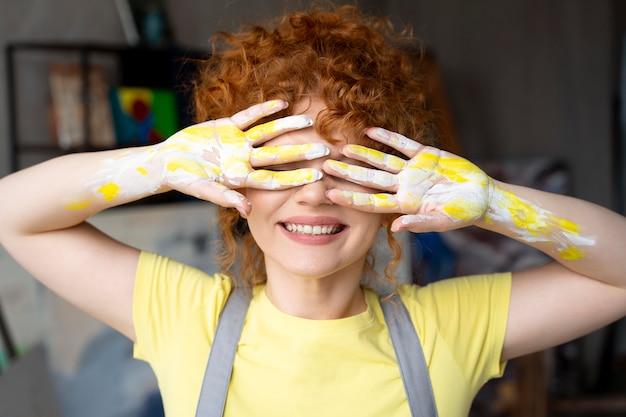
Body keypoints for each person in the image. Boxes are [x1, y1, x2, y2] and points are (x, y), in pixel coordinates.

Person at [1, 5, 625, 417]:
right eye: (282, 166)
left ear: (394, 196)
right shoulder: (184, 318)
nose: (314, 193)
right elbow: (12, 213)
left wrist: (494, 202)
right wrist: (158, 165)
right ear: (234, 188)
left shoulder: (448, 330)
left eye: (346, 166)